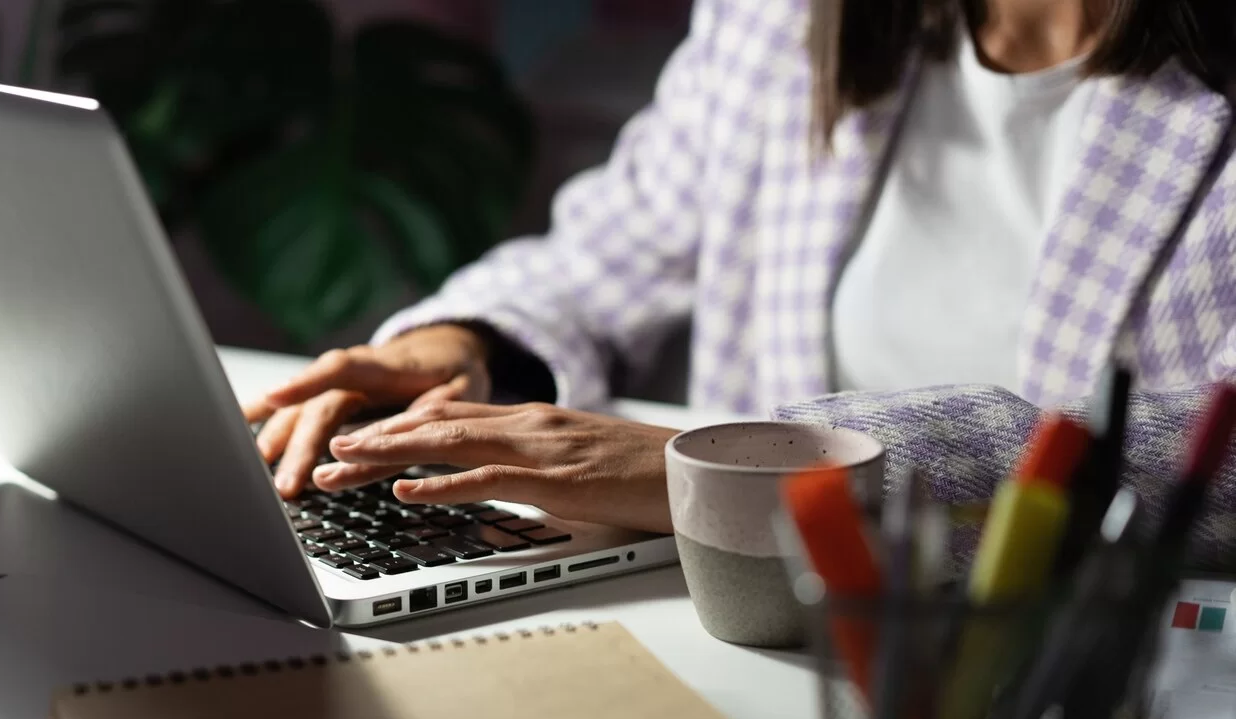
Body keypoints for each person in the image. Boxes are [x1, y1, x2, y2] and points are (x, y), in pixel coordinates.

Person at [245, 0, 1236, 562]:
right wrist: (458, 347)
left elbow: (1211, 457)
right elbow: (610, 249)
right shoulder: (792, 16)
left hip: (1090, 680)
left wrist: (742, 463)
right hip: (760, 618)